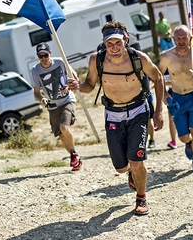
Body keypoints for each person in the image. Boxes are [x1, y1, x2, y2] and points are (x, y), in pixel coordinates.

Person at [69, 20, 164, 215]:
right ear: (104, 43)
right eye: (109, 43)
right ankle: (130, 172)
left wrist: (158, 111)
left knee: (137, 161)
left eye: (117, 42)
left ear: (126, 39)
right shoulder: (97, 60)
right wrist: (78, 86)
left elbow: (159, 77)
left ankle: (141, 198)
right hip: (113, 115)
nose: (113, 47)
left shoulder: (139, 58)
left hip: (138, 111)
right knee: (121, 167)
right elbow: (89, 84)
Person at [158, 25, 193, 172]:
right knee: (183, 137)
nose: (181, 41)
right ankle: (188, 143)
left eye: (184, 38)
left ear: (190, 38)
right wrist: (165, 96)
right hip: (177, 98)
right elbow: (158, 78)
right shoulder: (167, 57)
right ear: (173, 39)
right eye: (178, 38)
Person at [31, 42, 83, 171]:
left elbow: (74, 75)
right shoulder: (35, 70)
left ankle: (75, 154)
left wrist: (68, 86)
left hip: (67, 100)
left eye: (45, 55)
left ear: (50, 54)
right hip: (52, 105)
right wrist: (42, 100)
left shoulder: (60, 62)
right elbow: (36, 93)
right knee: (60, 134)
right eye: (40, 56)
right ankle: (74, 157)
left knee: (64, 127)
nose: (43, 59)